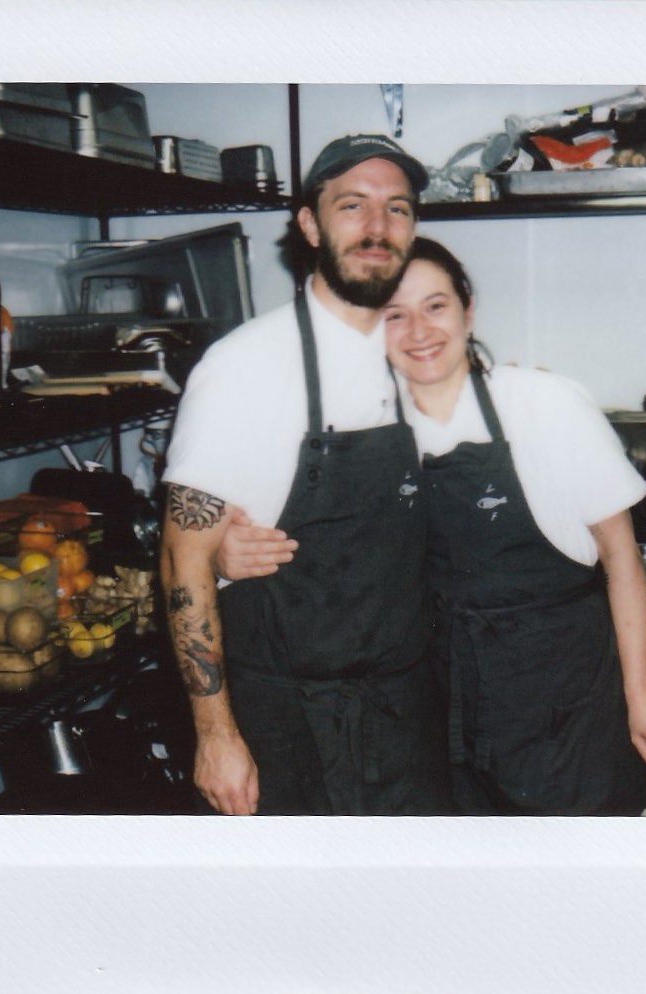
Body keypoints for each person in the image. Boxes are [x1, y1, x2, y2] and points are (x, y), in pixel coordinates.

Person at [224, 237, 646, 816]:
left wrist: (643, 695)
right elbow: (315, 544)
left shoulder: (545, 403)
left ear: (468, 310)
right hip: (439, 713)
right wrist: (228, 552)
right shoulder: (364, 428)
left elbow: (622, 558)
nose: (418, 330)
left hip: (565, 704)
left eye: (436, 306)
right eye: (394, 315)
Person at [159, 135, 449, 816]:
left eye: (397, 209)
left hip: (405, 707)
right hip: (286, 715)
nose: (377, 228)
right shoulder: (244, 366)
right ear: (311, 224)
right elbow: (182, 558)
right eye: (352, 206)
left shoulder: (421, 356)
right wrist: (215, 736)